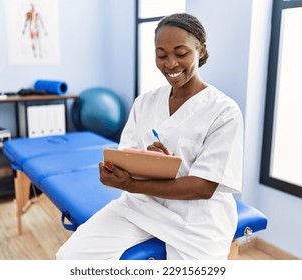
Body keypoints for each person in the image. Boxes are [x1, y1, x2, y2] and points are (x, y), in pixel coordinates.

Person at [56, 13, 243, 260]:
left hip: (197, 221)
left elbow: (204, 186)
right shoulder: (145, 102)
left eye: (181, 53)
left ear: (201, 50)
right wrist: (135, 166)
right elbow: (124, 159)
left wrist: (132, 184)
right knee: (70, 258)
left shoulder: (223, 111)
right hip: (142, 206)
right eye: (161, 55)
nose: (171, 63)